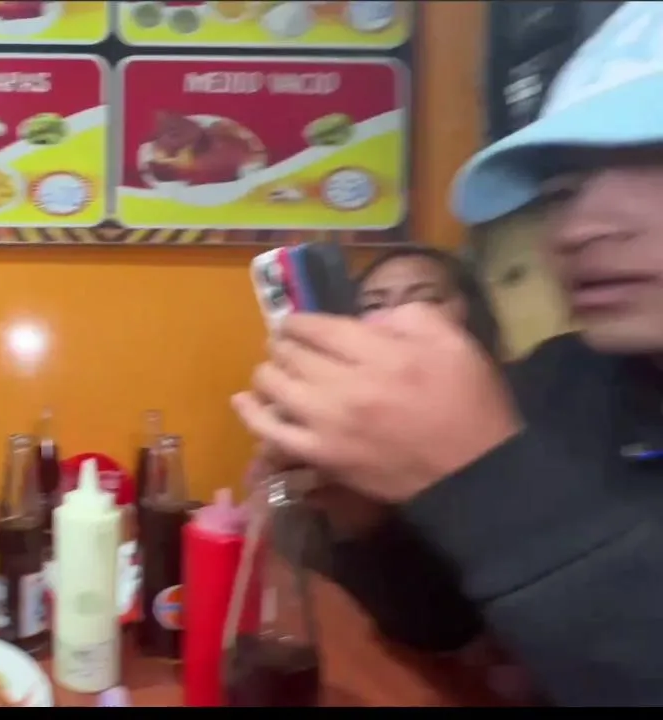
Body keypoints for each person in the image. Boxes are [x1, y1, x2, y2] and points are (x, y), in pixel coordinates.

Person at [233, 1, 663, 706]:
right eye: (564, 189)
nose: (579, 227)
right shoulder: (556, 383)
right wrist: (365, 518)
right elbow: (442, 625)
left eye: (655, 162)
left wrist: (482, 482)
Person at [271, 246, 500, 653]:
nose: (395, 318)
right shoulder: (339, 420)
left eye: (425, 299)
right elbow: (298, 581)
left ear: (473, 312)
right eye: (374, 305)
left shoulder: (510, 417)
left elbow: (455, 624)